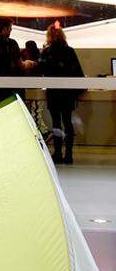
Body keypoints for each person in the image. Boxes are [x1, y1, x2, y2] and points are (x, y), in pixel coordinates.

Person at [39, 24, 84, 165]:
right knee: (67, 122)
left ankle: (57, 153)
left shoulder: (46, 52)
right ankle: (69, 155)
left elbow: (41, 70)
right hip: (68, 93)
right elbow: (78, 73)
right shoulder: (69, 51)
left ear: (49, 36)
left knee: (57, 123)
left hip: (53, 93)